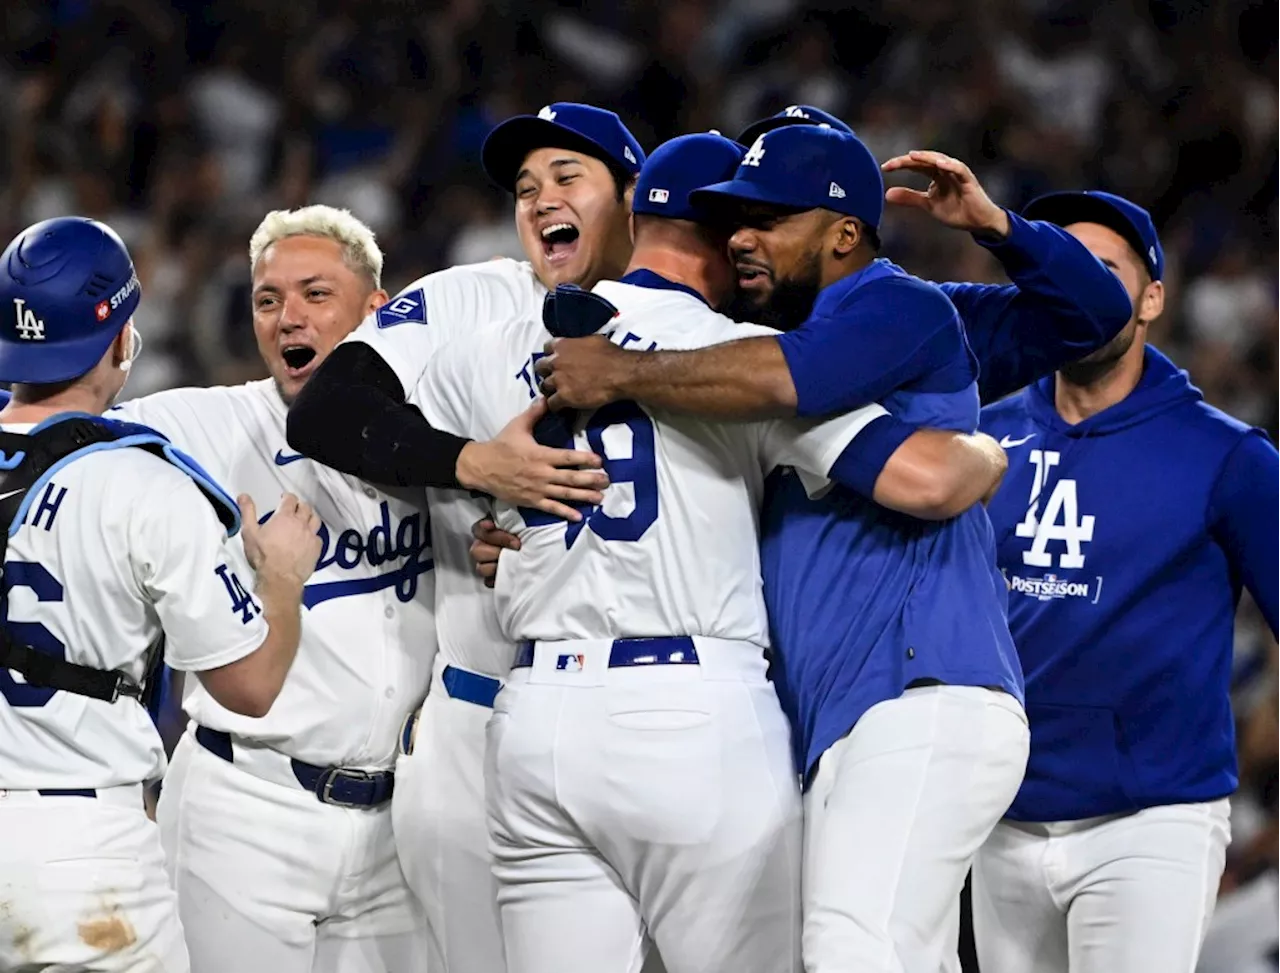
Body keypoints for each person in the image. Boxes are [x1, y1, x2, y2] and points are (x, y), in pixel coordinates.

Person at [328, 131, 1007, 973]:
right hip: (692, 711)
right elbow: (927, 477)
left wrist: (473, 477)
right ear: (717, 240)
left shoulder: (499, 342)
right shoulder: (730, 362)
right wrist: (987, 451)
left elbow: (330, 413)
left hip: (534, 716)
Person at [535, 124, 1038, 973]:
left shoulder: (879, 309)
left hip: (923, 688)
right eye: (734, 220)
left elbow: (926, 473)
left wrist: (618, 371)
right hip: (849, 714)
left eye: (769, 219)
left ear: (843, 232)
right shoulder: (765, 360)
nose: (742, 237)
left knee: (853, 948)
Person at [111, 205, 594, 973]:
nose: (286, 317)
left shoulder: (439, 439)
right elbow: (59, 426)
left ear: (377, 316)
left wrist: (509, 552)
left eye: (313, 294)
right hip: (247, 807)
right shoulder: (211, 424)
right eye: (268, 299)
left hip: (392, 827)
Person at [287, 103, 642, 973]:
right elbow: (326, 411)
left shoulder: (692, 322)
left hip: (658, 715)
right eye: (526, 187)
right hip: (481, 722)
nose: (539, 199)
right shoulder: (466, 297)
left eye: (568, 177)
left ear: (634, 197)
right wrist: (475, 464)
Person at [0, 216, 320, 972]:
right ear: (119, 338)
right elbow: (249, 686)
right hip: (80, 851)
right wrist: (280, 580)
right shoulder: (146, 482)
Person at [974, 191, 1280, 973]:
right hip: (998, 816)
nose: (1075, 288)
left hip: (1151, 819)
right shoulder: (979, 435)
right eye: (1060, 269)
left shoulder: (1227, 456)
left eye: (1101, 271)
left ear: (1151, 299)